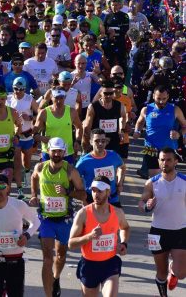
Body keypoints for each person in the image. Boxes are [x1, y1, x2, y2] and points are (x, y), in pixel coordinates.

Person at [30, 138, 86, 297]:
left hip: (64, 218)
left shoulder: (70, 171)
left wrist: (67, 191)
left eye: (59, 151)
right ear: (49, 151)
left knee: (61, 255)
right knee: (47, 258)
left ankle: (55, 278)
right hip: (46, 218)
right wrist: (34, 195)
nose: (56, 154)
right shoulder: (40, 167)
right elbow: (34, 178)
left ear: (64, 152)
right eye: (53, 151)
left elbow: (83, 194)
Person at [0, 173, 41, 297]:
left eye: (2, 187)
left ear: (8, 188)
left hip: (15, 261)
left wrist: (26, 235)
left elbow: (36, 222)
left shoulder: (19, 205)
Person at [68, 176, 130, 297]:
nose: (96, 194)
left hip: (110, 264)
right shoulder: (84, 214)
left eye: (100, 191)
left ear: (108, 191)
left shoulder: (117, 212)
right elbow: (71, 243)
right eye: (93, 190)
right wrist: (90, 236)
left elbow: (125, 228)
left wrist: (124, 243)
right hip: (89, 265)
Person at [138, 147, 186, 296]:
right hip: (157, 232)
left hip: (180, 231)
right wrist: (146, 206)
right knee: (161, 272)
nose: (165, 163)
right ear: (158, 162)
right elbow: (141, 202)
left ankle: (174, 270)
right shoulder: (151, 182)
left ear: (175, 162)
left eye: (169, 160)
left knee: (181, 273)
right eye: (162, 160)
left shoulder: (184, 181)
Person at [133, 86, 186, 178]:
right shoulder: (146, 110)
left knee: (168, 177)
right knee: (155, 178)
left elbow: (184, 125)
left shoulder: (175, 109)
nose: (161, 101)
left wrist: (179, 133)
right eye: (158, 98)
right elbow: (140, 122)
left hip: (169, 149)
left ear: (168, 97)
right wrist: (137, 131)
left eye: (164, 98)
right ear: (153, 96)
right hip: (150, 148)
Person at [76, 129, 126, 208]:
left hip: (112, 199)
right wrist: (83, 200)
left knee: (119, 219)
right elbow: (74, 180)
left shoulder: (113, 155)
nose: (100, 144)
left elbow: (122, 167)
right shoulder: (83, 162)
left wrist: (120, 184)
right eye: (97, 141)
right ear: (91, 142)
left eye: (103, 141)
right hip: (92, 201)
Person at [33, 87, 83, 163]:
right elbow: (34, 133)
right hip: (49, 151)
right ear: (51, 97)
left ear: (65, 97)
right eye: (56, 98)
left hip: (66, 151)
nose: (59, 101)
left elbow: (79, 127)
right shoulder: (44, 113)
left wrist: (77, 141)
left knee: (67, 174)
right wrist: (41, 138)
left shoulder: (72, 112)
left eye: (61, 98)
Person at [6, 77, 38, 188]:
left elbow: (40, 116)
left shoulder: (29, 99)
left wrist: (29, 117)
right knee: (17, 161)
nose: (18, 91)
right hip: (15, 135)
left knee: (27, 160)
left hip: (27, 134)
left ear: (25, 89)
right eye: (16, 89)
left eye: (21, 89)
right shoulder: (8, 99)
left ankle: (28, 173)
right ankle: (19, 184)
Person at [83, 81, 126, 155]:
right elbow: (87, 128)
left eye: (111, 93)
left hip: (113, 142)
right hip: (98, 143)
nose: (108, 96)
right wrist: (90, 142)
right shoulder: (93, 107)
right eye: (106, 93)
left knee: (112, 165)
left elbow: (123, 118)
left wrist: (121, 130)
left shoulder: (120, 105)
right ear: (101, 93)